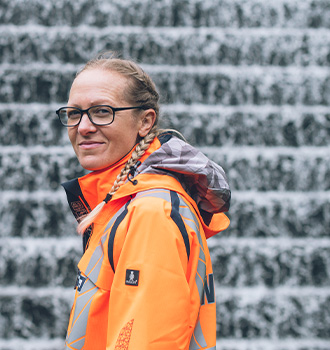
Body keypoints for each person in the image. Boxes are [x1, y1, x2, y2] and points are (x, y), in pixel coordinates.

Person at [57, 53, 231, 350]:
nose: (83, 127)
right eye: (74, 113)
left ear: (145, 121)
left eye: (101, 111)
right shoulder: (125, 203)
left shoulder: (152, 213)